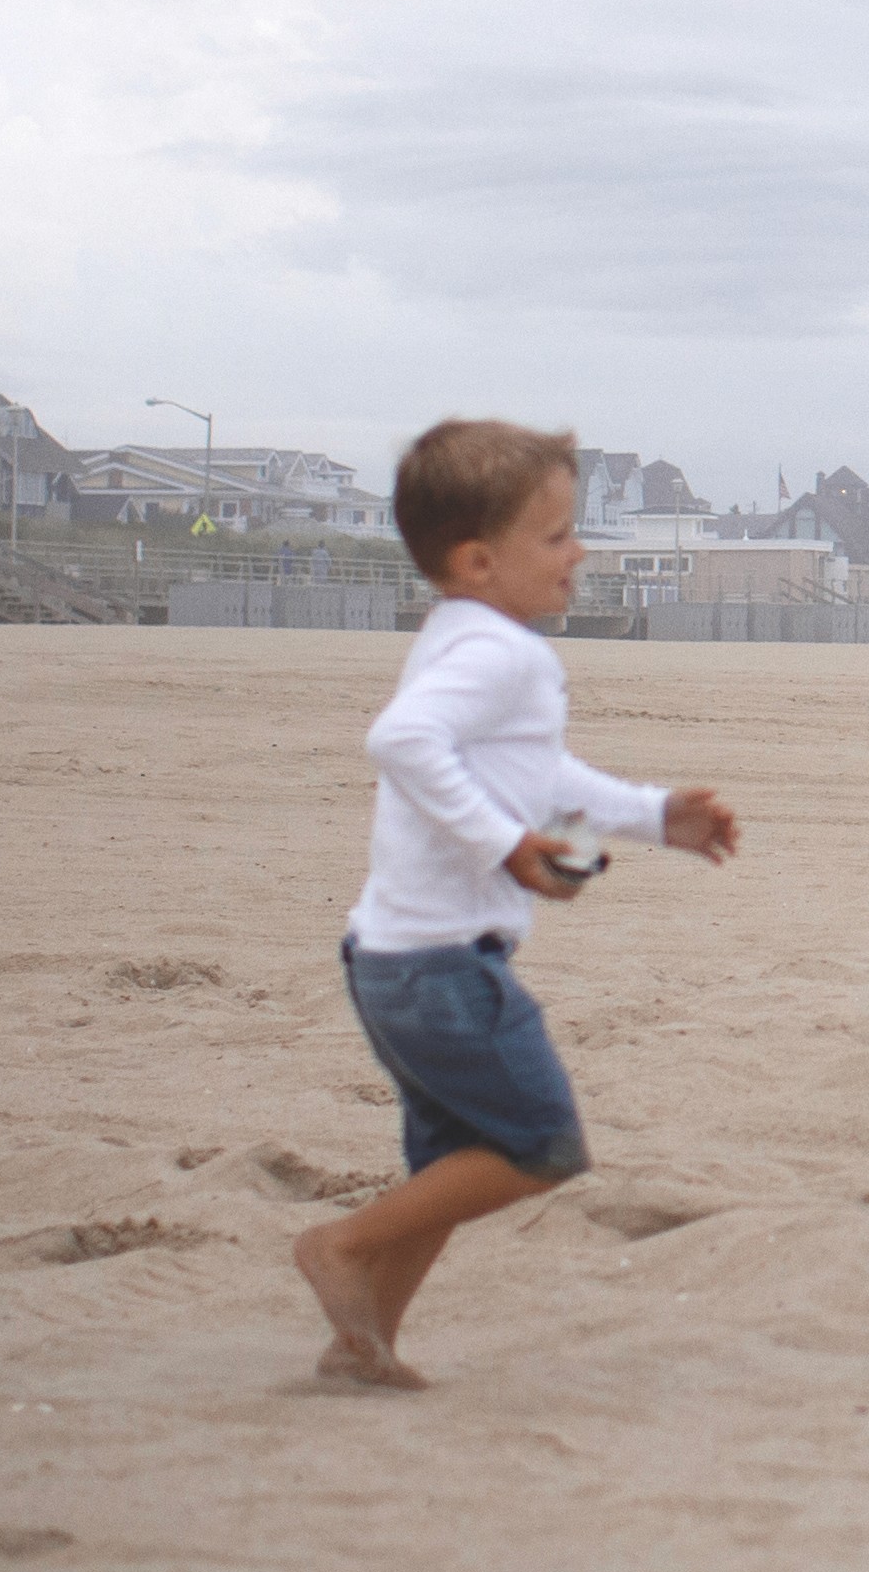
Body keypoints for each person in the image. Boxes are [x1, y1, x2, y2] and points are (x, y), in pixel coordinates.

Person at [292, 417, 742, 1391]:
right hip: (442, 967)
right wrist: (507, 845)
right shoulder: (505, 656)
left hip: (391, 961)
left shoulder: (463, 638)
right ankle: (339, 1246)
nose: (578, 551)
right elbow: (402, 742)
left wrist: (656, 816)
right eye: (556, 536)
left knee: (448, 1169)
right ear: (478, 558)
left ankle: (362, 1340)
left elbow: (541, 774)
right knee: (539, 1145)